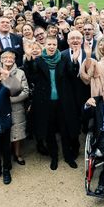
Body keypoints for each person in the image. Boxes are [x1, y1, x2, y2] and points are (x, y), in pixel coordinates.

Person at [24, 36, 79, 169]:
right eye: (49, 44)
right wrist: (29, 59)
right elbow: (31, 76)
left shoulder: (64, 59)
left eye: (54, 44)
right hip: (45, 103)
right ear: (45, 45)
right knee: (49, 131)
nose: (51, 47)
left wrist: (75, 60)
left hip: (63, 101)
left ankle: (68, 156)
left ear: (56, 46)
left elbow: (72, 75)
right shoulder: (38, 60)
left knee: (65, 130)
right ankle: (54, 157)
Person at [0, 51, 30, 165]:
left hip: (16, 107)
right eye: (5, 57)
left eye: (11, 57)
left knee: (17, 132)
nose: (8, 59)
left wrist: (10, 100)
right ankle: (6, 155)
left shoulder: (20, 72)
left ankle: (17, 154)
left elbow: (26, 91)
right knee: (3, 132)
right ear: (1, 59)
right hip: (0, 108)